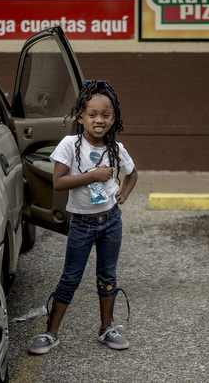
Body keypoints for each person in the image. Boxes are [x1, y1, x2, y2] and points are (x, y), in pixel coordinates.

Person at [29, 79, 138, 354]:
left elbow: (132, 173)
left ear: (114, 118)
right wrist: (93, 175)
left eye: (105, 115)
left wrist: (123, 193)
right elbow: (58, 182)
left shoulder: (115, 148)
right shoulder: (70, 144)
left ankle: (106, 329)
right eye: (92, 115)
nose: (98, 120)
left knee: (107, 276)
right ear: (81, 116)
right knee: (70, 278)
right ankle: (51, 333)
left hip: (111, 220)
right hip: (82, 223)